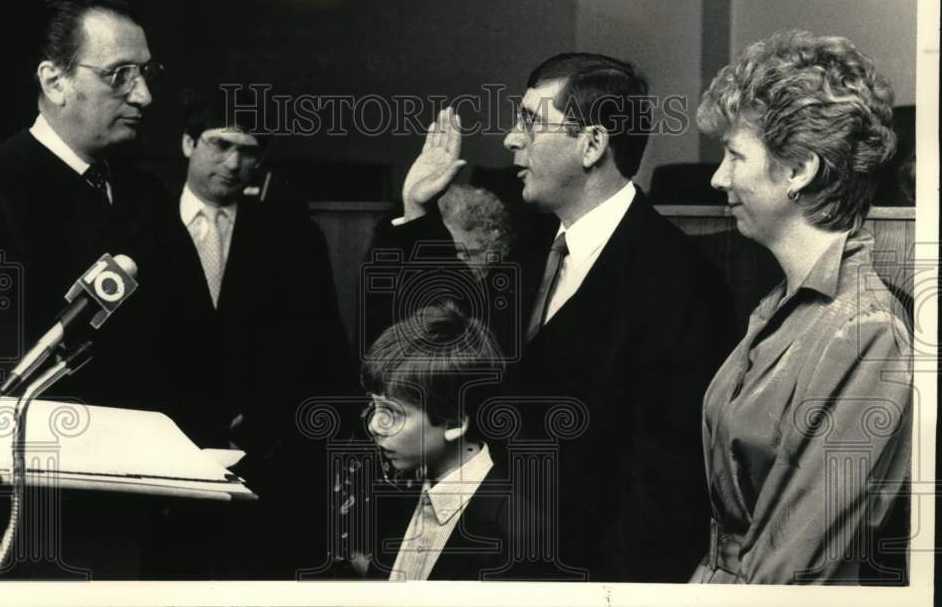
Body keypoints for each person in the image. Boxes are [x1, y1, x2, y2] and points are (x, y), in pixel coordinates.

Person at [366, 53, 737, 581]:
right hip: (486, 552)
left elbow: (665, 490)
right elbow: (454, 348)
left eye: (530, 122)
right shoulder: (537, 240)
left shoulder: (680, 281)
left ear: (592, 144)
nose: (511, 140)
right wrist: (415, 212)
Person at [691, 30, 912, 584]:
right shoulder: (779, 305)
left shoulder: (865, 331)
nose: (719, 177)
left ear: (799, 170)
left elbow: (791, 571)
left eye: (734, 155)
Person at [170, 86, 351, 578]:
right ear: (188, 143)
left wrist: (263, 422)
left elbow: (319, 345)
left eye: (248, 151)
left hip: (260, 454)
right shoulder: (140, 219)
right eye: (220, 144)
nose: (233, 163)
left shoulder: (292, 235)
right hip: (164, 454)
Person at [0, 0, 176, 412]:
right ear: (54, 82)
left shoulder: (148, 197)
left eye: (146, 72)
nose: (144, 96)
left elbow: (193, 345)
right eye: (119, 75)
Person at [359, 301, 547, 580]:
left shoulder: (520, 536)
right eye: (374, 406)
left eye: (393, 413)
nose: (374, 425)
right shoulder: (401, 493)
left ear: (455, 423)